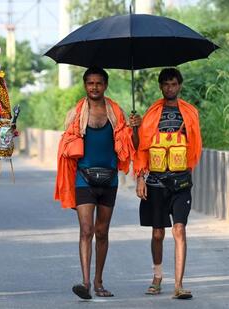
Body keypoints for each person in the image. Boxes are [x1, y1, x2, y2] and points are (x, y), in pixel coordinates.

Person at [54, 67, 139, 299]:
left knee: (102, 232)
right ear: (85, 85)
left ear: (105, 85)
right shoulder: (75, 114)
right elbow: (67, 147)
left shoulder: (116, 113)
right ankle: (85, 283)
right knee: (86, 230)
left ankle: (98, 281)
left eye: (99, 83)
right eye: (90, 83)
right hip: (84, 178)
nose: (94, 87)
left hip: (110, 179)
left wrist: (135, 127)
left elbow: (133, 146)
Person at [134, 68, 202, 300]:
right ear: (160, 87)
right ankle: (157, 277)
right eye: (165, 84)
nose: (169, 88)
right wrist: (140, 177)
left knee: (179, 230)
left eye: (173, 84)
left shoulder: (190, 113)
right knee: (157, 234)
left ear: (180, 85)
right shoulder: (152, 113)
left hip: (181, 183)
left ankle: (179, 285)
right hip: (155, 182)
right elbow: (141, 147)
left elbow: (195, 145)